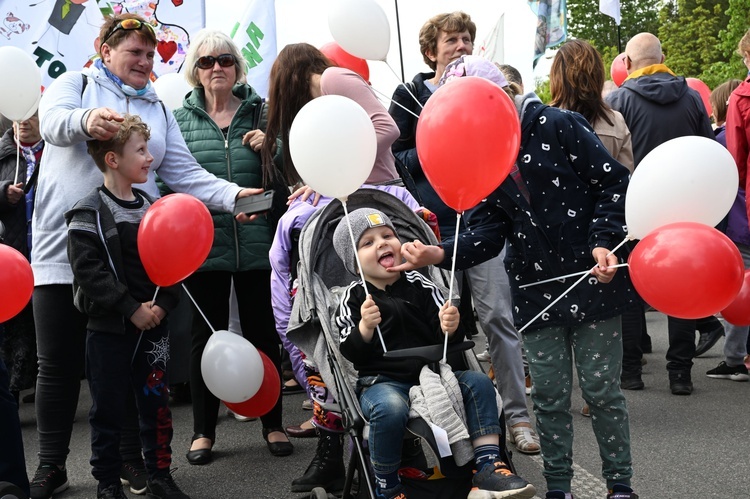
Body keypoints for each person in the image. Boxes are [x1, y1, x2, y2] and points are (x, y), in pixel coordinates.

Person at [30, 13, 262, 499]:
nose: (143, 62)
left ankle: (134, 464)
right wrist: (84, 120)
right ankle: (51, 465)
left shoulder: (156, 103)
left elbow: (184, 171)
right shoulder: (75, 82)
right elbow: (52, 125)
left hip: (130, 258)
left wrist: (233, 196)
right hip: (61, 247)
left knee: (130, 365)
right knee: (58, 362)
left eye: (149, 54)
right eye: (133, 52)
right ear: (104, 49)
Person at [392, 57, 638, 499]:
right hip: (535, 291)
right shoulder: (479, 147)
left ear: (502, 96)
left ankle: (620, 484)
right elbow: (489, 230)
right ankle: (558, 488)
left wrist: (603, 240)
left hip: (593, 280)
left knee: (602, 391)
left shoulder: (557, 123)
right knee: (547, 395)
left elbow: (613, 184)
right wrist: (441, 251)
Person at [389, 13, 540, 455]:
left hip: (485, 223)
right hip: (435, 229)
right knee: (440, 326)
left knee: (498, 320)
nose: (461, 45)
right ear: (431, 51)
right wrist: (440, 142)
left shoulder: (486, 91)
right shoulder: (410, 95)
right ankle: (453, 421)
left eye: (467, 39)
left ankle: (517, 418)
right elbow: (397, 157)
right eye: (451, 40)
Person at [260, 42, 407, 488]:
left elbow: (387, 128)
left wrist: (339, 169)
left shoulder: (333, 80)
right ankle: (330, 448)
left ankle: (375, 449)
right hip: (342, 204)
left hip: (377, 203)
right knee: (331, 328)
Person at [333, 207, 535, 499]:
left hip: (433, 374)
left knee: (479, 384)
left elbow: (450, 341)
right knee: (389, 407)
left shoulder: (421, 285)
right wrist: (365, 327)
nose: (382, 243)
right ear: (353, 261)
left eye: (388, 235)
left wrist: (450, 326)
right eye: (368, 242)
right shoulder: (352, 298)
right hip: (382, 380)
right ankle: (388, 485)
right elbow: (350, 352)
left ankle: (489, 463)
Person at [169, 28, 291, 463]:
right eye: (206, 62)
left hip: (258, 242)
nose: (216, 67)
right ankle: (203, 432)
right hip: (204, 247)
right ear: (195, 72)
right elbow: (168, 181)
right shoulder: (177, 120)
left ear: (237, 67)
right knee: (206, 338)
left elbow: (292, 170)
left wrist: (272, 148)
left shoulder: (262, 112)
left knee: (262, 334)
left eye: (224, 60)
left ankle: (273, 425)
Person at [65, 114, 187, 499]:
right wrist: (130, 308)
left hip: (154, 331)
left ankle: (160, 475)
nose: (150, 157)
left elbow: (173, 267)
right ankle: (106, 482)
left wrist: (162, 306)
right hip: (108, 333)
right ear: (113, 160)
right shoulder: (87, 213)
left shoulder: (155, 207)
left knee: (156, 404)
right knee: (108, 410)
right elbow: (89, 272)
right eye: (141, 150)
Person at [606, 33, 722, 395]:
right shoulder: (691, 98)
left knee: (627, 284)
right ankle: (680, 374)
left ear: (626, 63)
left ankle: (630, 372)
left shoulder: (618, 100)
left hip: (634, 204)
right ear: (664, 57)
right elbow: (706, 150)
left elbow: (610, 160)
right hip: (684, 205)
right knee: (683, 285)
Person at [547, 40, 648, 397]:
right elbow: (627, 178)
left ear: (557, 76)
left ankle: (563, 389)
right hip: (606, 230)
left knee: (562, 320)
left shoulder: (546, 121)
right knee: (605, 315)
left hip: (561, 235)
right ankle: (602, 389)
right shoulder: (615, 121)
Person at [0, 114, 41, 406]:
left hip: (47, 253)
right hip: (12, 258)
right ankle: (10, 391)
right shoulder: (3, 152)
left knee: (43, 326)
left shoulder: (54, 151)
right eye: (19, 117)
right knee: (15, 329)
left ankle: (45, 385)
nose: (24, 122)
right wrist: (2, 193)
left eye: (32, 115)